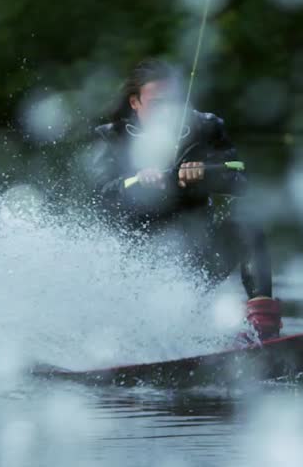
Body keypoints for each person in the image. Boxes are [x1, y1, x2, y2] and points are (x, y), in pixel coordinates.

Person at [88, 58, 281, 342]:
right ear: (135, 103)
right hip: (138, 268)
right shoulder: (110, 138)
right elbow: (100, 196)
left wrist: (204, 174)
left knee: (247, 226)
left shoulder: (206, 127)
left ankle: (264, 327)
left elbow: (240, 177)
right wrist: (138, 180)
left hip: (196, 260)